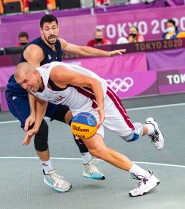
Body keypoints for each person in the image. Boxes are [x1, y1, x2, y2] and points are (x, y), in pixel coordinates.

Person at [6, 14, 126, 193]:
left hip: (45, 92)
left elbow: (81, 49)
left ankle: (87, 164)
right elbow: (31, 85)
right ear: (41, 31)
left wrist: (106, 53)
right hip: (22, 95)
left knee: (75, 118)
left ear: (58, 28)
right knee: (40, 128)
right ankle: (49, 173)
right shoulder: (35, 51)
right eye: (47, 29)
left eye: (54, 27)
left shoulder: (58, 44)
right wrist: (33, 113)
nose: (51, 31)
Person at [15, 61, 164, 197]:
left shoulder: (56, 74)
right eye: (21, 83)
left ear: (35, 73)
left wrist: (100, 107)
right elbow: (42, 100)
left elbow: (94, 82)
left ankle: (151, 128)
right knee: (96, 150)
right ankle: (146, 177)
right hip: (80, 110)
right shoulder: (32, 86)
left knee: (130, 135)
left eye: (25, 81)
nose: (24, 86)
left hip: (99, 97)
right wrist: (37, 124)